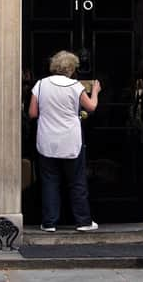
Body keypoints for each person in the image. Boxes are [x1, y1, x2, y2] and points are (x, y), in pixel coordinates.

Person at [28, 50, 102, 232]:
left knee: (49, 181)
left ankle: (49, 223)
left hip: (47, 140)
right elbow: (91, 107)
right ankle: (83, 222)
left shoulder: (40, 84)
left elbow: (32, 113)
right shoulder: (75, 86)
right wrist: (96, 92)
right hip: (71, 140)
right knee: (76, 181)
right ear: (71, 69)